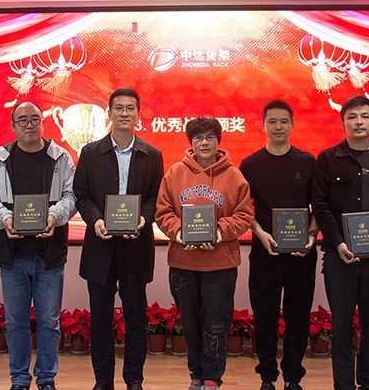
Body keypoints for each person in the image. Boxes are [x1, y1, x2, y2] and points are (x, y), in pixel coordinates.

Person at [0, 101, 76, 390]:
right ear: (13, 126)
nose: (29, 124)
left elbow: (72, 195)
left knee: (49, 322)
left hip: (49, 255)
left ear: (43, 122)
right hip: (12, 256)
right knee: (15, 323)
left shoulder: (61, 157)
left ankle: (46, 378)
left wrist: (54, 216)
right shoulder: (0, 158)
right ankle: (19, 379)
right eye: (23, 120)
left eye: (35, 119)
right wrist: (4, 218)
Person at [312, 95, 369, 390]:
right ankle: (343, 385)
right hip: (339, 257)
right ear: (343, 123)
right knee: (341, 325)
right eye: (352, 117)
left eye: (364, 116)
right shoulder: (327, 160)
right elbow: (320, 206)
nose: (359, 122)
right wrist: (338, 242)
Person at [73, 88, 164, 390]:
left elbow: (155, 197)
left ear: (139, 114)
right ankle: (103, 381)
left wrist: (144, 218)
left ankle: (134, 380)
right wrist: (96, 220)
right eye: (119, 108)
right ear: (109, 112)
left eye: (130, 108)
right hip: (100, 246)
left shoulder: (152, 155)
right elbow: (81, 195)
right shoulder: (90, 152)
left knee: (136, 318)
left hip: (136, 246)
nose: (125, 113)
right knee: (101, 319)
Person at [155, 117, 254, 390]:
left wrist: (219, 232)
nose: (204, 143)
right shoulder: (175, 173)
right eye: (198, 138)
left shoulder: (234, 176)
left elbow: (244, 215)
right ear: (191, 143)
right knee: (190, 324)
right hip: (183, 264)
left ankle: (212, 378)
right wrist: (180, 232)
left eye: (210, 137)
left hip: (220, 265)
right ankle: (196, 375)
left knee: (216, 324)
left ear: (218, 141)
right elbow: (163, 212)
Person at [239, 100, 317, 390]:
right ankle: (268, 377)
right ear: (263, 125)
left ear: (292, 125)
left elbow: (319, 206)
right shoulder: (250, 164)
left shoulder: (307, 162)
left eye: (284, 121)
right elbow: (243, 210)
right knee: (265, 319)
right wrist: (260, 234)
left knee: (298, 319)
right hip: (265, 254)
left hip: (301, 254)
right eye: (272, 121)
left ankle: (293, 378)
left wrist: (311, 237)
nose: (278, 126)